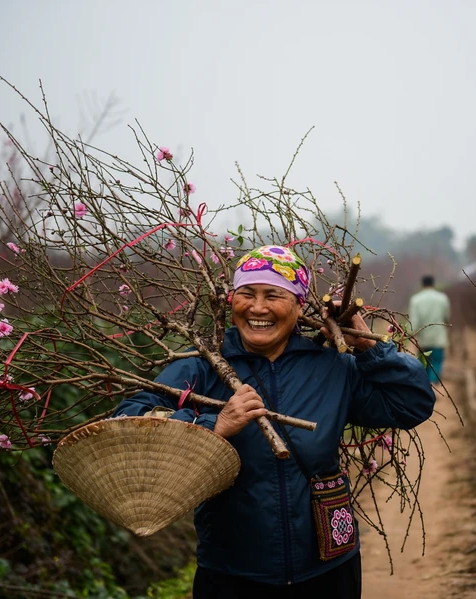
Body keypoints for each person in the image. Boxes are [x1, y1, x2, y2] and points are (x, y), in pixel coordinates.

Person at [114, 245, 436, 599]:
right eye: (247, 294)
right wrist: (214, 425)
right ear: (231, 301)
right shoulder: (203, 366)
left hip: (328, 568)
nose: (258, 307)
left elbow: (412, 404)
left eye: (273, 295)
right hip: (232, 572)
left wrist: (369, 349)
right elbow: (127, 423)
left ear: (299, 305)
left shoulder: (331, 367)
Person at [407, 275, 451, 383]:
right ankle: (434, 385)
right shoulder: (442, 298)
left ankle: (426, 388)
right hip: (438, 338)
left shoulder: (416, 300)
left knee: (424, 362)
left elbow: (414, 323)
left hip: (423, 340)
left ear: (422, 285)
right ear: (433, 284)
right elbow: (446, 318)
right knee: (436, 362)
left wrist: (410, 334)